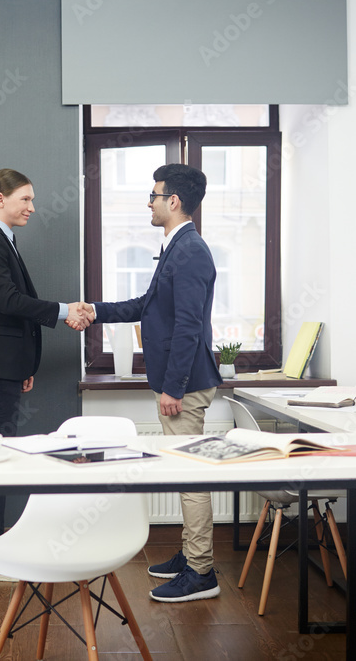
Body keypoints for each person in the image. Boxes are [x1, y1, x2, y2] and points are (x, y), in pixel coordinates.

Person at [77, 163, 223, 602]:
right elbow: (148, 305)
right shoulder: (176, 247)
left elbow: (188, 326)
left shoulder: (191, 251)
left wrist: (174, 387)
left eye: (154, 195)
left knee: (190, 477)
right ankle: (190, 555)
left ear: (173, 201)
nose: (149, 201)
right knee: (184, 474)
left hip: (186, 384)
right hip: (179, 381)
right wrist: (95, 311)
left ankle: (201, 573)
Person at [0, 168, 91, 581]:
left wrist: (24, 365)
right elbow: (8, 300)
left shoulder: (1, 240)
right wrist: (66, 311)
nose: (32, 207)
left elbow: (8, 309)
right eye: (25, 200)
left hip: (3, 365)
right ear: (0, 198)